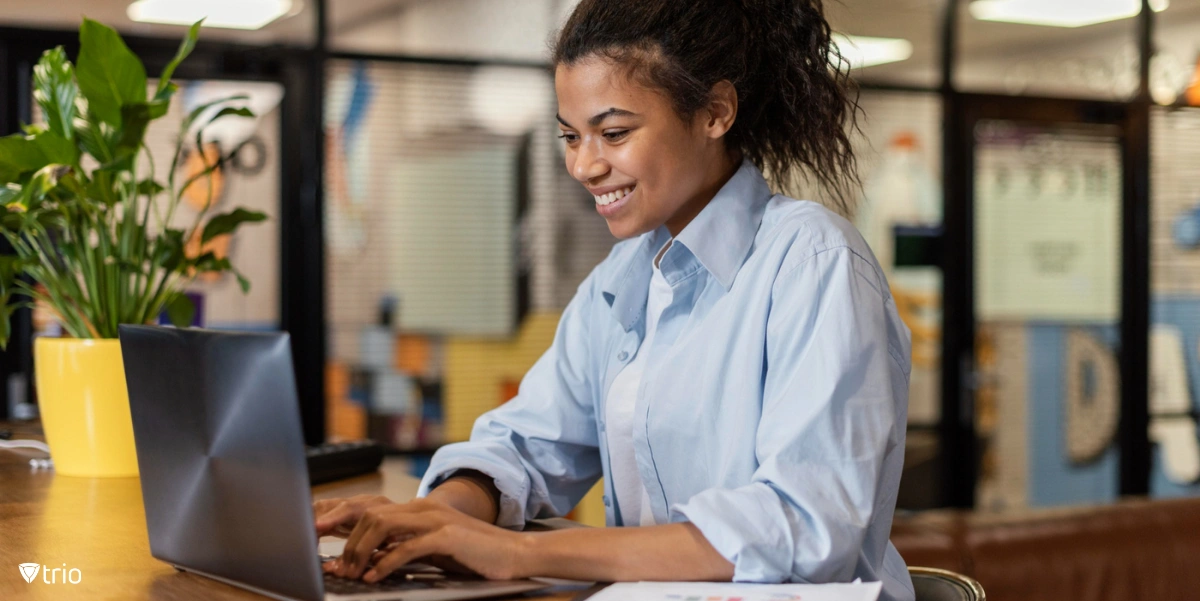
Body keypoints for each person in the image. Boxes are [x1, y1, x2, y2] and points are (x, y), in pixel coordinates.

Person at [314, 1, 914, 599]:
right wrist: (442, 515)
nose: (584, 164)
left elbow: (801, 526)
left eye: (615, 133)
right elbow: (524, 444)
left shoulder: (814, 263)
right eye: (570, 136)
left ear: (715, 112)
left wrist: (517, 552)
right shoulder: (625, 275)